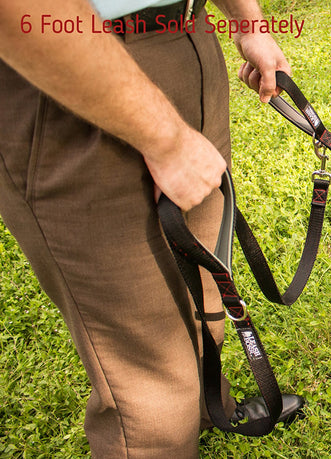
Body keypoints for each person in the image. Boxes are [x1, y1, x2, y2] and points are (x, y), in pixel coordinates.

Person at [0, 0, 294, 456]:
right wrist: (168, 142)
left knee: (203, 288)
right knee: (145, 371)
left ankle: (205, 411)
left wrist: (247, 21)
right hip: (73, 61)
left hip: (185, 35)